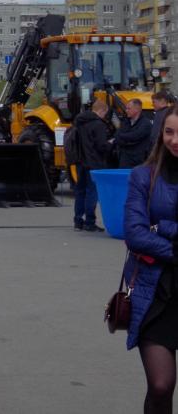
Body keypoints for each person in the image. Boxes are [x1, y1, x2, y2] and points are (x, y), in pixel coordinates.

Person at [122, 104, 178, 414]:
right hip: (155, 294)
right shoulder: (143, 175)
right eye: (169, 132)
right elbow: (135, 233)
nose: (174, 140)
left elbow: (150, 231)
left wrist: (163, 227)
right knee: (160, 385)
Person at [73, 99, 112, 232]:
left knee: (80, 192)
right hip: (94, 162)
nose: (105, 116)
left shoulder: (79, 122)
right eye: (105, 113)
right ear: (101, 110)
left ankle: (78, 221)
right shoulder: (98, 124)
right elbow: (101, 146)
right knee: (91, 192)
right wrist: (110, 144)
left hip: (80, 161)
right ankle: (90, 222)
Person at [117, 99, 153, 168]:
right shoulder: (125, 122)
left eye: (129, 108)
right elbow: (117, 136)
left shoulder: (146, 124)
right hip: (124, 161)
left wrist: (122, 136)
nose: (126, 110)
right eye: (126, 108)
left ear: (137, 109)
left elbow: (135, 136)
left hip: (138, 162)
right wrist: (124, 138)